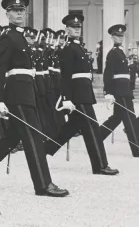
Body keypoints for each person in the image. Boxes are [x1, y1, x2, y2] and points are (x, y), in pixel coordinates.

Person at [0, 0, 68, 197]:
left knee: (12, 137)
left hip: (25, 91)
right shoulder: (8, 37)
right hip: (16, 94)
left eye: (21, 10)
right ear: (7, 14)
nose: (19, 13)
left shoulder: (20, 37)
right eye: (14, 11)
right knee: (33, 137)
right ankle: (43, 184)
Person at [44, 13, 119, 176]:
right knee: (92, 128)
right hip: (78, 94)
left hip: (84, 91)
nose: (77, 29)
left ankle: (44, 150)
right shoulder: (68, 49)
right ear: (67, 29)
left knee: (71, 127)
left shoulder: (79, 48)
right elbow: (65, 76)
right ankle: (100, 165)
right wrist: (66, 98)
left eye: (78, 27)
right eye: (73, 27)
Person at [99, 24, 139, 158]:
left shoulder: (121, 52)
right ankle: (138, 150)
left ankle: (96, 137)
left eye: (122, 35)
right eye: (117, 35)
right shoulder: (113, 53)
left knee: (116, 118)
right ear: (112, 37)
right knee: (130, 120)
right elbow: (108, 73)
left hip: (125, 89)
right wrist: (108, 92)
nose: (120, 38)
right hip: (120, 90)